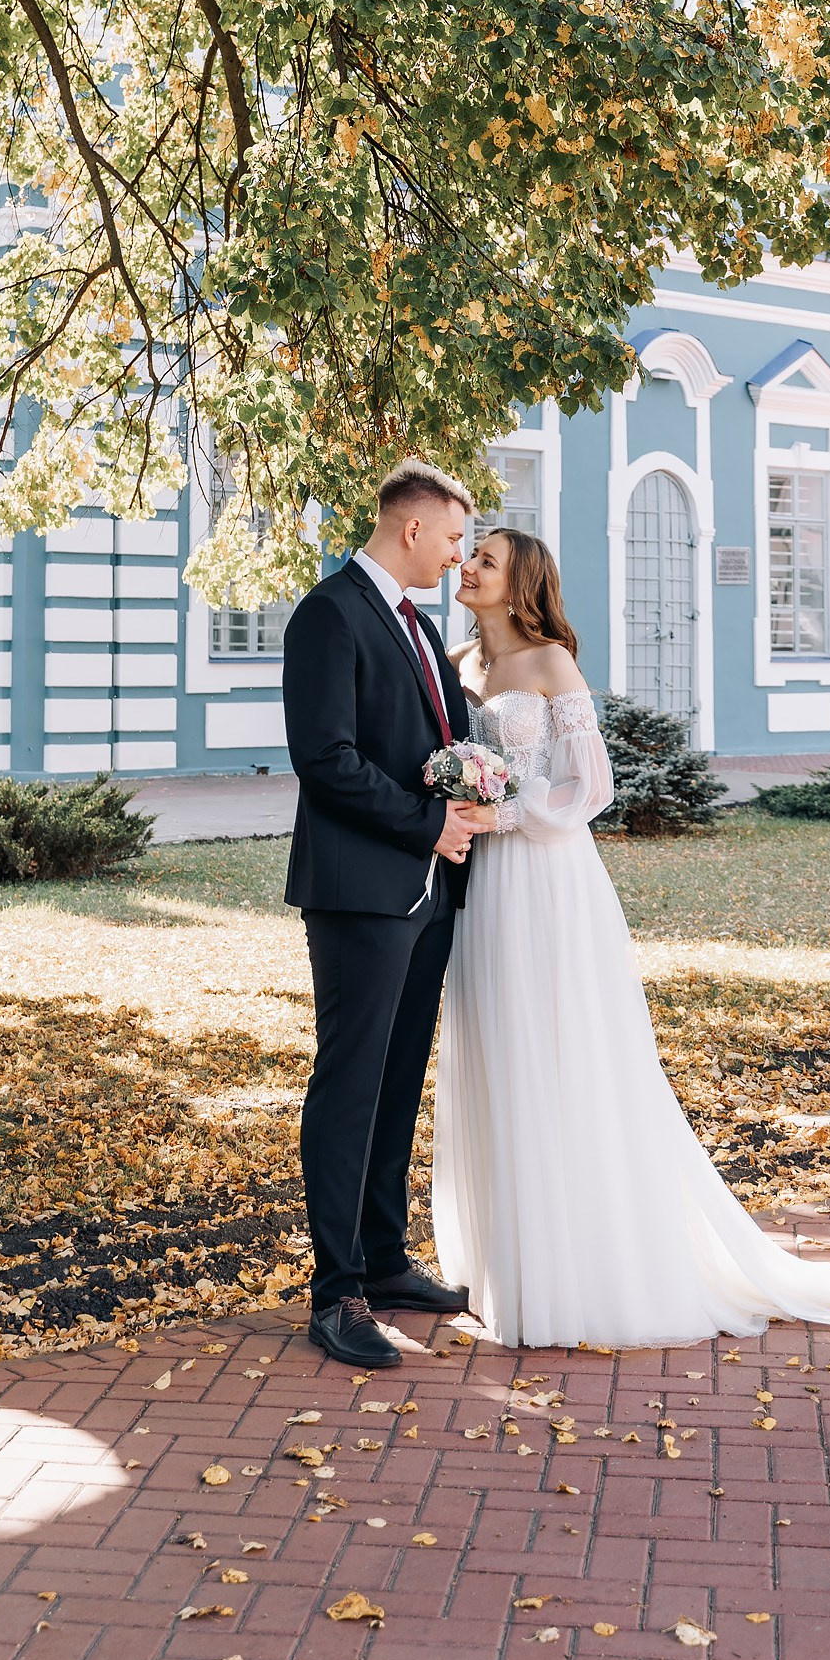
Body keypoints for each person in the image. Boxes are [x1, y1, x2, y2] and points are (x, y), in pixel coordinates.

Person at [432, 523, 830, 1351]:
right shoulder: (455, 663)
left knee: (558, 1045)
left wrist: (503, 814)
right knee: (497, 1043)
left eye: (485, 560)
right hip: (482, 881)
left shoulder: (549, 663)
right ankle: (508, 1264)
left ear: (519, 580)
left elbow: (590, 787)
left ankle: (580, 1271)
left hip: (547, 874)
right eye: (469, 555)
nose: (468, 566)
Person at [281, 459, 495, 1369]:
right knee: (351, 1085)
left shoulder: (415, 622)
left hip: (427, 892)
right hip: (360, 893)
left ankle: (383, 1258)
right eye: (450, 538)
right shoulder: (328, 615)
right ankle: (336, 1294)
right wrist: (426, 823)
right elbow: (324, 757)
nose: (455, 557)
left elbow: (437, 741)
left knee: (399, 1081)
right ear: (411, 528)